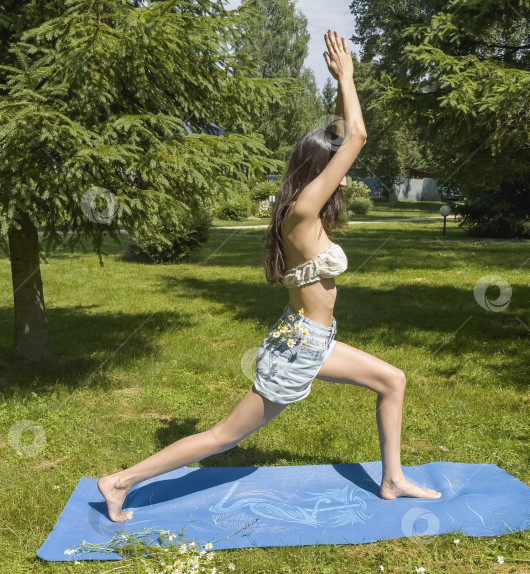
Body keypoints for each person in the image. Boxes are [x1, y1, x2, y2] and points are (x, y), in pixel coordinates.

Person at [98, 30, 441, 523]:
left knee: (392, 380)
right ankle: (119, 481)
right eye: (338, 160)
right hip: (301, 346)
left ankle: (392, 479)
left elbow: (348, 144)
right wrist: (347, 78)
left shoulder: (308, 213)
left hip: (313, 338)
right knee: (224, 436)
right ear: (322, 168)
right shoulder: (302, 212)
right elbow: (359, 135)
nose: (348, 168)